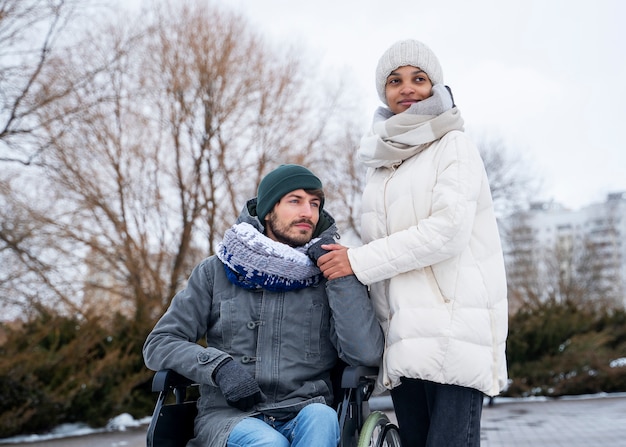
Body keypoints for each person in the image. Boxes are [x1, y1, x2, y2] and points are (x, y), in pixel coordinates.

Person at [317, 39, 508, 446]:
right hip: (403, 337)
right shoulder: (382, 163)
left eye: (418, 79)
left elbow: (447, 232)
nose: (407, 88)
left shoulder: (452, 144)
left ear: (435, 86)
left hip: (453, 328)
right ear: (382, 92)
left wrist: (358, 261)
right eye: (395, 80)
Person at [143, 164, 384, 447]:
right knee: (269, 443)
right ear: (268, 210)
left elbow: (366, 354)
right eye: (295, 201)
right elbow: (159, 343)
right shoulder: (216, 271)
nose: (308, 212)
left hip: (305, 410)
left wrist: (341, 277)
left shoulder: (328, 276)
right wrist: (219, 368)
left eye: (314, 203)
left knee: (322, 417)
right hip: (229, 417)